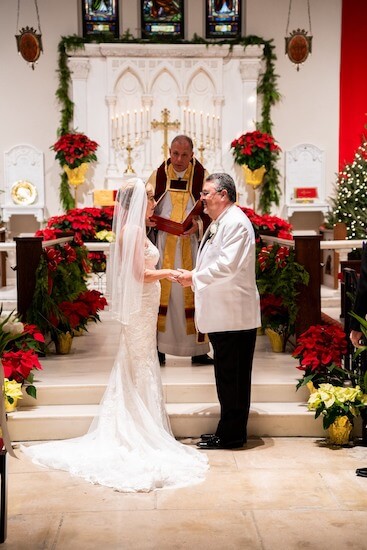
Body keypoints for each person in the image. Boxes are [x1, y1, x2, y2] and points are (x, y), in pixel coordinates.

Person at [22, 178, 208, 492]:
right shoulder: (134, 231)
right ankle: (137, 430)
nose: (153, 205)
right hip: (142, 306)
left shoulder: (134, 230)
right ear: (138, 203)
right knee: (139, 363)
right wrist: (170, 273)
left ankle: (142, 424)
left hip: (145, 306)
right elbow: (139, 274)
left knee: (140, 361)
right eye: (150, 200)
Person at [176, 173, 261, 450]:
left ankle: (233, 435)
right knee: (226, 377)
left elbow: (228, 266)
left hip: (234, 315)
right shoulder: (220, 222)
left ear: (223, 194)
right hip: (224, 315)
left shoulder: (235, 223)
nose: (202, 198)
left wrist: (194, 278)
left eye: (206, 193)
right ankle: (226, 430)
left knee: (233, 378)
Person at [147, 135, 212, 366]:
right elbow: (144, 206)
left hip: (191, 245)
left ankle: (198, 350)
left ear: (192, 154)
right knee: (163, 294)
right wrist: (148, 221)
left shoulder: (202, 177)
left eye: (184, 155)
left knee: (192, 292)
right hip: (164, 243)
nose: (179, 159)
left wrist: (199, 225)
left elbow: (211, 209)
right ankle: (159, 348)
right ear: (169, 151)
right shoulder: (159, 175)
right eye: (175, 153)